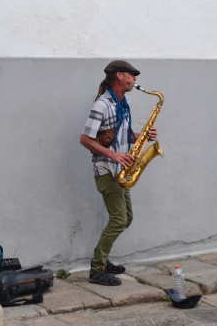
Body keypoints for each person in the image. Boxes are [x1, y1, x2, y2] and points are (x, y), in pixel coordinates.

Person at [80, 60, 158, 286]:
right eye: (132, 75)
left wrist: (141, 136)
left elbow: (120, 135)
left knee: (127, 218)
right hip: (106, 169)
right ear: (118, 75)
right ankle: (97, 269)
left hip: (122, 170)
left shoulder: (125, 102)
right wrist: (113, 156)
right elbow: (85, 139)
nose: (135, 79)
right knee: (119, 218)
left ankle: (102, 260)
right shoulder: (101, 105)